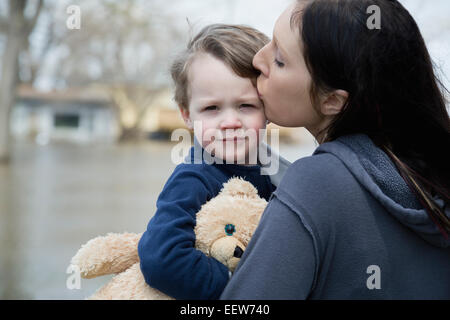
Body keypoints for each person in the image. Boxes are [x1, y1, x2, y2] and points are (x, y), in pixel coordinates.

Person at [221, 0, 450, 299]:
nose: (257, 60)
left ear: (333, 101)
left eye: (279, 59)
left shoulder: (318, 182)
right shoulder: (432, 180)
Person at [137, 24, 290, 300]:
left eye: (246, 105)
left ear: (268, 108)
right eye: (211, 108)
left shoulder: (280, 174)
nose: (230, 122)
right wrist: (239, 285)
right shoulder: (194, 177)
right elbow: (161, 259)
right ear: (186, 115)